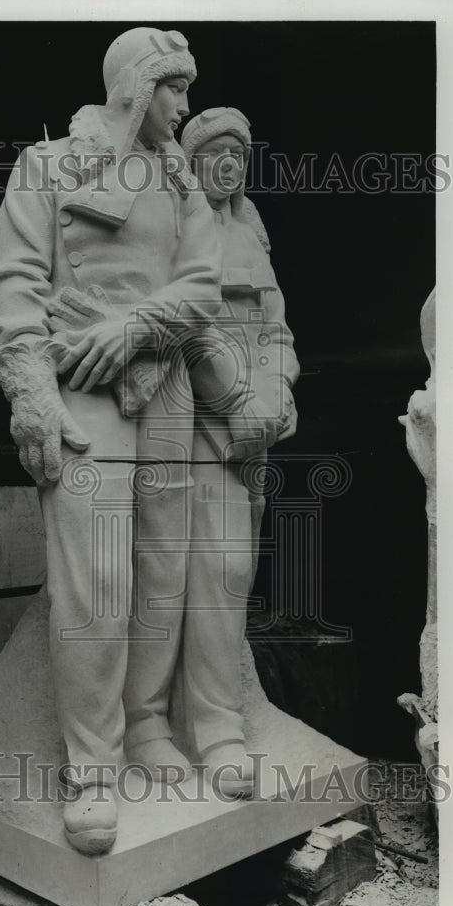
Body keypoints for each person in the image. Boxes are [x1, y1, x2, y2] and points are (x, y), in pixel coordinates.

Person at [0, 27, 222, 854]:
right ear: (133, 88)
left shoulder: (178, 181)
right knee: (95, 583)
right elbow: (13, 288)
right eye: (173, 90)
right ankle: (92, 765)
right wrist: (31, 399)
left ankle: (147, 725)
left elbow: (202, 287)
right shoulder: (45, 166)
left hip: (165, 391)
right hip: (79, 394)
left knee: (162, 569)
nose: (183, 108)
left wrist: (134, 328)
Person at [168, 106, 300, 795]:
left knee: (237, 571)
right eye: (215, 153)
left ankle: (218, 705)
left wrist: (277, 387)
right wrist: (235, 402)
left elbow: (277, 325)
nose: (228, 166)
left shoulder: (249, 228)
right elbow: (183, 326)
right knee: (212, 572)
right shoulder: (174, 226)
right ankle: (212, 729)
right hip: (200, 420)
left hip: (258, 424)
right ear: (191, 160)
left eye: (238, 155)